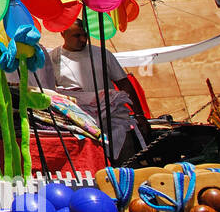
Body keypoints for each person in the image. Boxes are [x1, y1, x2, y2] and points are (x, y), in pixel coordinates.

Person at [37, 19, 150, 161]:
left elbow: (124, 84)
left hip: (114, 121)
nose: (83, 39)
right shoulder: (53, 59)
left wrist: (140, 115)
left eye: (85, 35)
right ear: (63, 33)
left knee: (126, 164)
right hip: (80, 124)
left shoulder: (102, 54)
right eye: (77, 36)